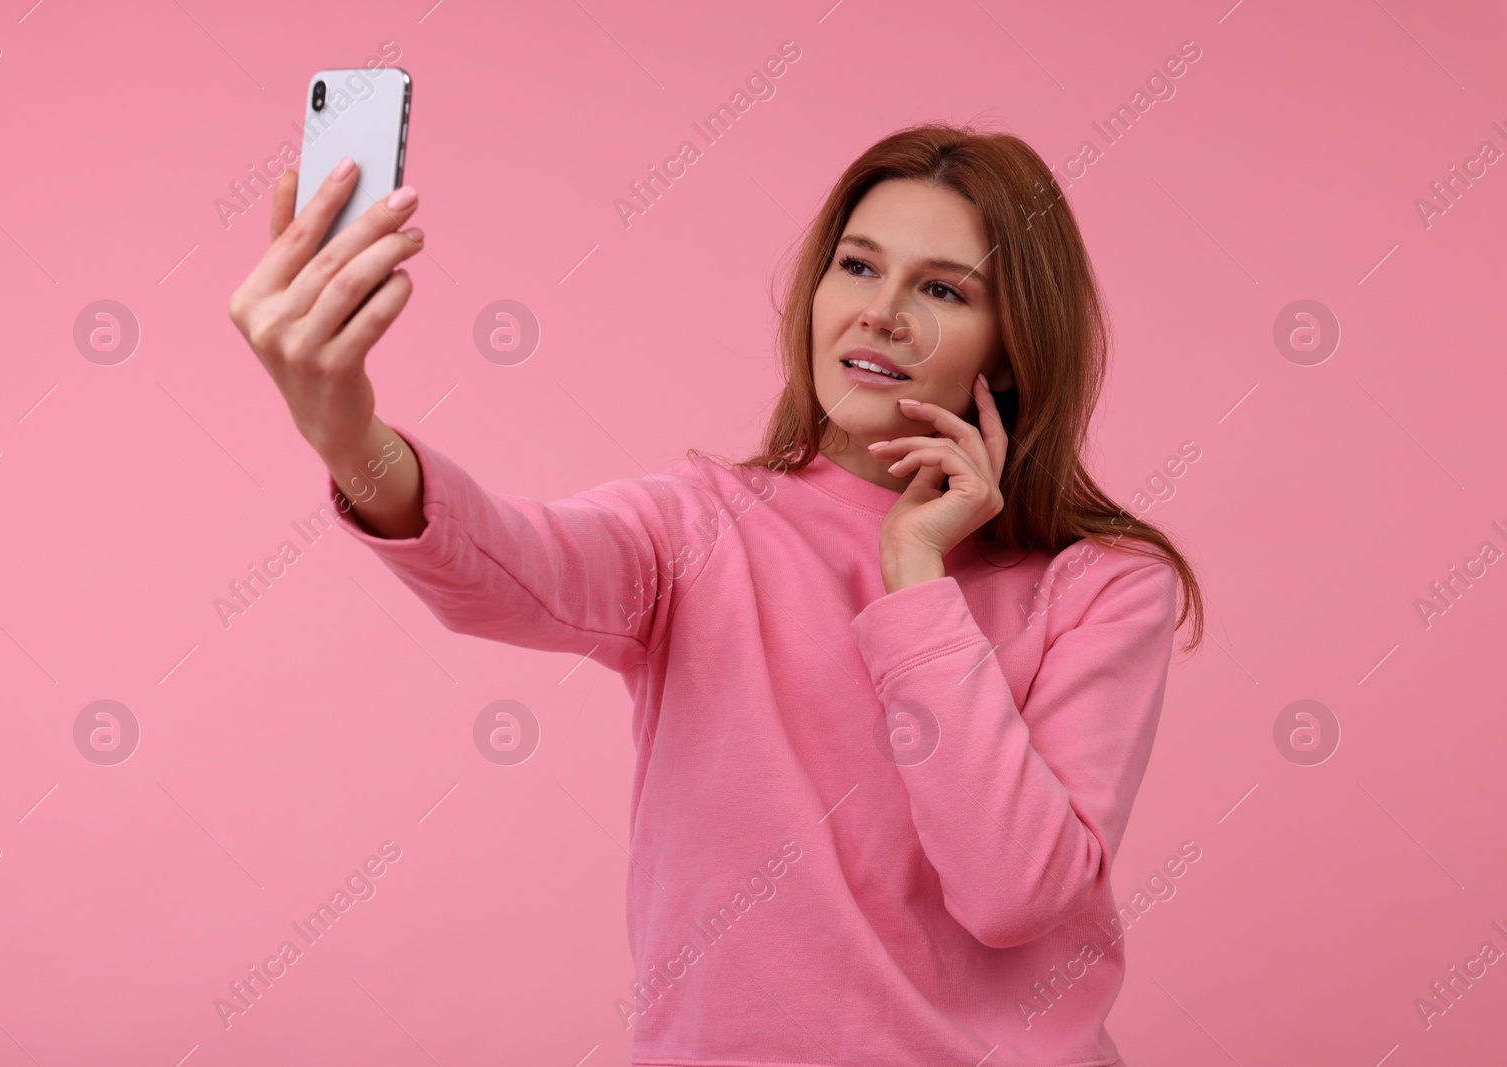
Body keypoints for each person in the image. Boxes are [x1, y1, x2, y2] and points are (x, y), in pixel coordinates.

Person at [228, 120, 1206, 1067]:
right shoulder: (696, 525)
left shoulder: (1104, 583)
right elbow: (508, 559)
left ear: (1008, 344)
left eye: (942, 287)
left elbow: (1012, 892)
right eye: (856, 266)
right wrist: (349, 434)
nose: (880, 310)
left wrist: (914, 574)